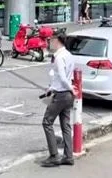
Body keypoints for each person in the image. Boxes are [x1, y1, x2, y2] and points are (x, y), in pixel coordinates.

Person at [41, 33, 75, 167]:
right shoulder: (69, 55)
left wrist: (71, 88)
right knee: (65, 125)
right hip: (66, 95)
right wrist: (51, 88)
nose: (49, 43)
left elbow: (62, 77)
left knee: (47, 122)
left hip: (61, 94)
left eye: (51, 40)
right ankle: (68, 156)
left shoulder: (59, 57)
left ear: (57, 41)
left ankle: (54, 155)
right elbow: (62, 77)